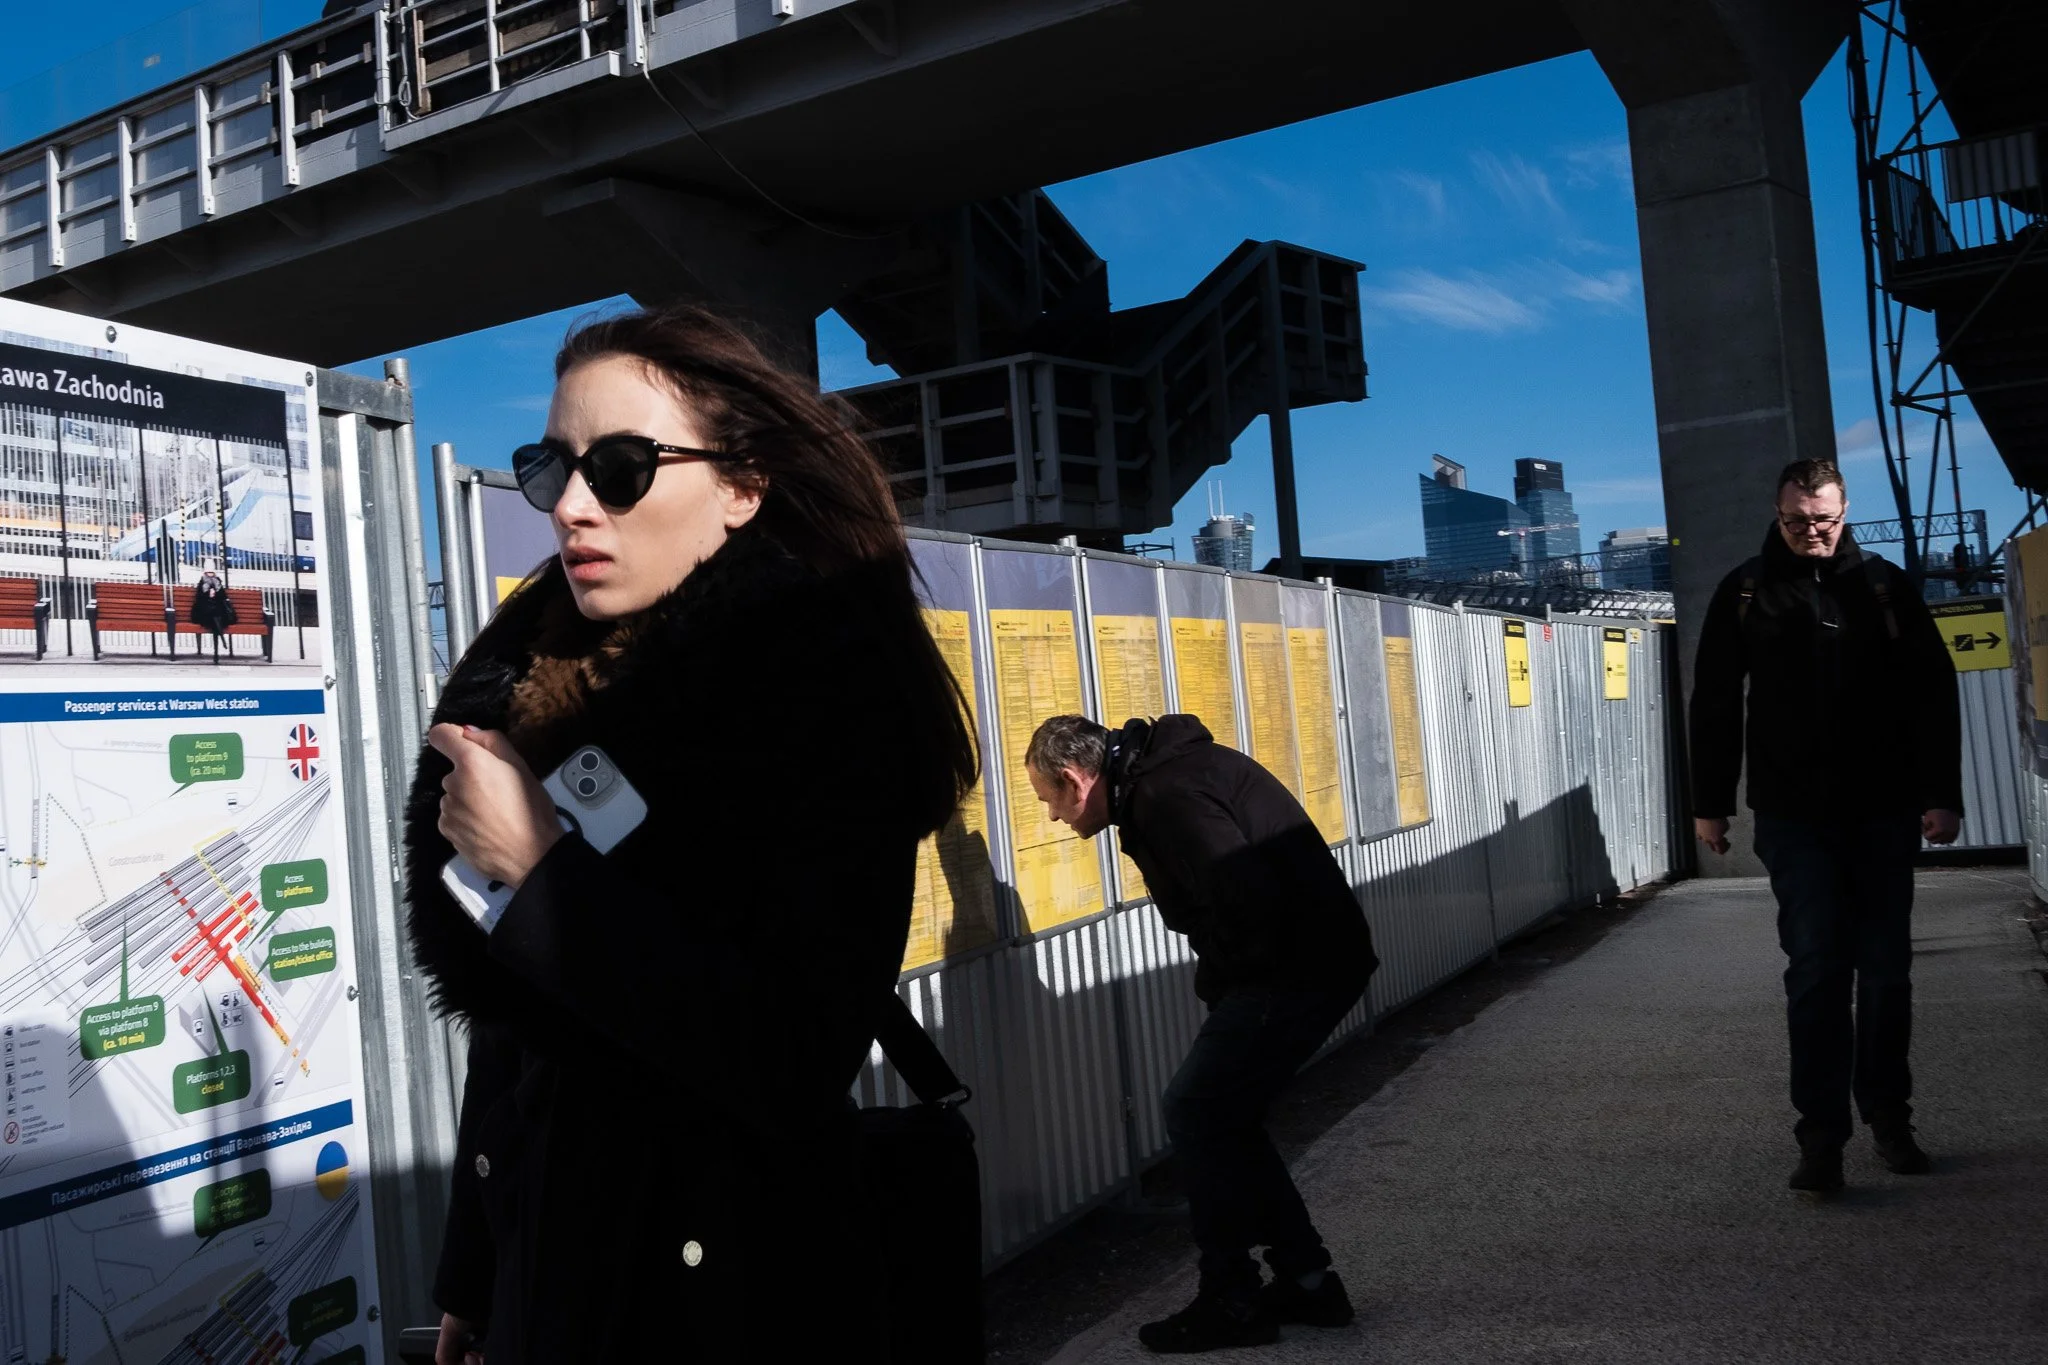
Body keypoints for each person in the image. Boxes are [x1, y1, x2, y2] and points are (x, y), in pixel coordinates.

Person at [405, 303, 977, 1363]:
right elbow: (515, 1036)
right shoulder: (538, 683)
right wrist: (475, 1276)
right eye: (550, 467)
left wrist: (538, 874)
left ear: (740, 486)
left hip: (724, 1292)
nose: (571, 506)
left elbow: (788, 1055)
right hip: (551, 1271)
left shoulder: (820, 704)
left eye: (621, 466)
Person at [1025, 713, 1378, 1353]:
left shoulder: (1164, 794)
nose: (1053, 816)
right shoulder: (1159, 783)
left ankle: (1233, 1295)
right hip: (1311, 960)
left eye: (1048, 798)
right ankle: (1307, 1281)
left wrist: (1231, 988)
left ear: (1075, 779)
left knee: (1195, 1108)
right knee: (1224, 1117)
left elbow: (1245, 895)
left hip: (1296, 966)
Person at [1690, 459, 1961, 1194]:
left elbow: (1932, 693)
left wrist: (1941, 793)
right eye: (1796, 519)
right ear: (1777, 512)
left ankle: (1888, 1116)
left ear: (1845, 511)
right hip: (1793, 816)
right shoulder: (1746, 591)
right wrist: (1710, 802)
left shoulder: (1882, 586)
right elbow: (1713, 698)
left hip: (1882, 810)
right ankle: (1821, 1138)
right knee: (1815, 970)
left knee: (1886, 971)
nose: (1811, 531)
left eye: (1824, 518)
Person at [189, 559, 235, 659]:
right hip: (204, 611)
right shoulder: (202, 582)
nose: (210, 574)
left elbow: (223, 596)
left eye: (211, 572)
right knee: (214, 616)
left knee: (216, 615)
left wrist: (216, 594)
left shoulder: (217, 581)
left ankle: (216, 652)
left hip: (216, 610)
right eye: (208, 572)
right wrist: (208, 594)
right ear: (205, 572)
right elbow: (199, 598)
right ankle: (221, 642)